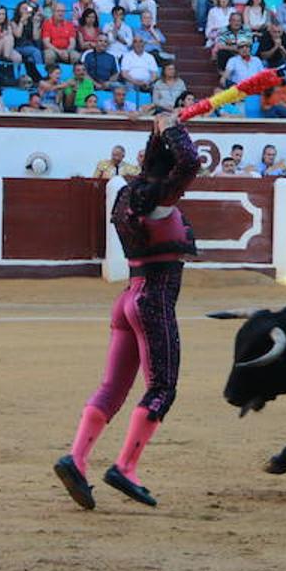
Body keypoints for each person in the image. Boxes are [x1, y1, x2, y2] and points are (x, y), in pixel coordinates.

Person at [54, 113, 198, 510]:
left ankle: (78, 460)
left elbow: (170, 162)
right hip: (153, 302)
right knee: (162, 387)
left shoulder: (130, 194)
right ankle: (126, 467)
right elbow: (190, 162)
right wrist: (172, 128)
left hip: (127, 301)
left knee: (112, 388)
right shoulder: (160, 200)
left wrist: (159, 132)